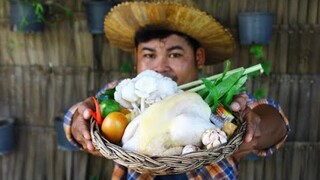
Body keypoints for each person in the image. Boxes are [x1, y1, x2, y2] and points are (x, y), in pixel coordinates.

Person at [64, 1, 290, 179]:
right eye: (149, 55)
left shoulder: (216, 100)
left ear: (198, 57)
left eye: (174, 54)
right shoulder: (123, 96)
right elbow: (74, 118)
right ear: (136, 60)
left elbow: (279, 125)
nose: (160, 67)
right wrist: (78, 122)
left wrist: (255, 125)